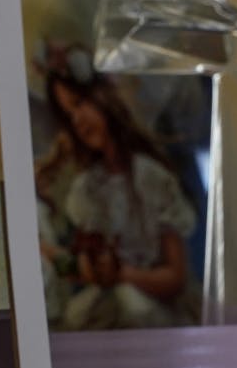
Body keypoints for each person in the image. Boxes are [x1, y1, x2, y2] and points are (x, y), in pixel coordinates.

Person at [40, 59, 197, 328]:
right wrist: (48, 253)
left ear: (104, 96)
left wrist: (122, 274)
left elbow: (175, 276)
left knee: (133, 309)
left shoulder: (150, 177)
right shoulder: (86, 190)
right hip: (110, 307)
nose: (77, 121)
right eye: (69, 115)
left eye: (79, 103)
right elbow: (84, 269)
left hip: (157, 312)